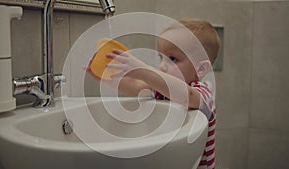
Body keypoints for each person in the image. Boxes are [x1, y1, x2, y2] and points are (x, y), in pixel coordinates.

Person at [88, 18, 220, 169]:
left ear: (201, 69)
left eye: (172, 59)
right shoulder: (162, 91)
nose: (162, 66)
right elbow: (136, 87)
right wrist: (107, 77)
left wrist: (143, 70)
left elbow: (187, 95)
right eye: (160, 57)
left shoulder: (203, 92)